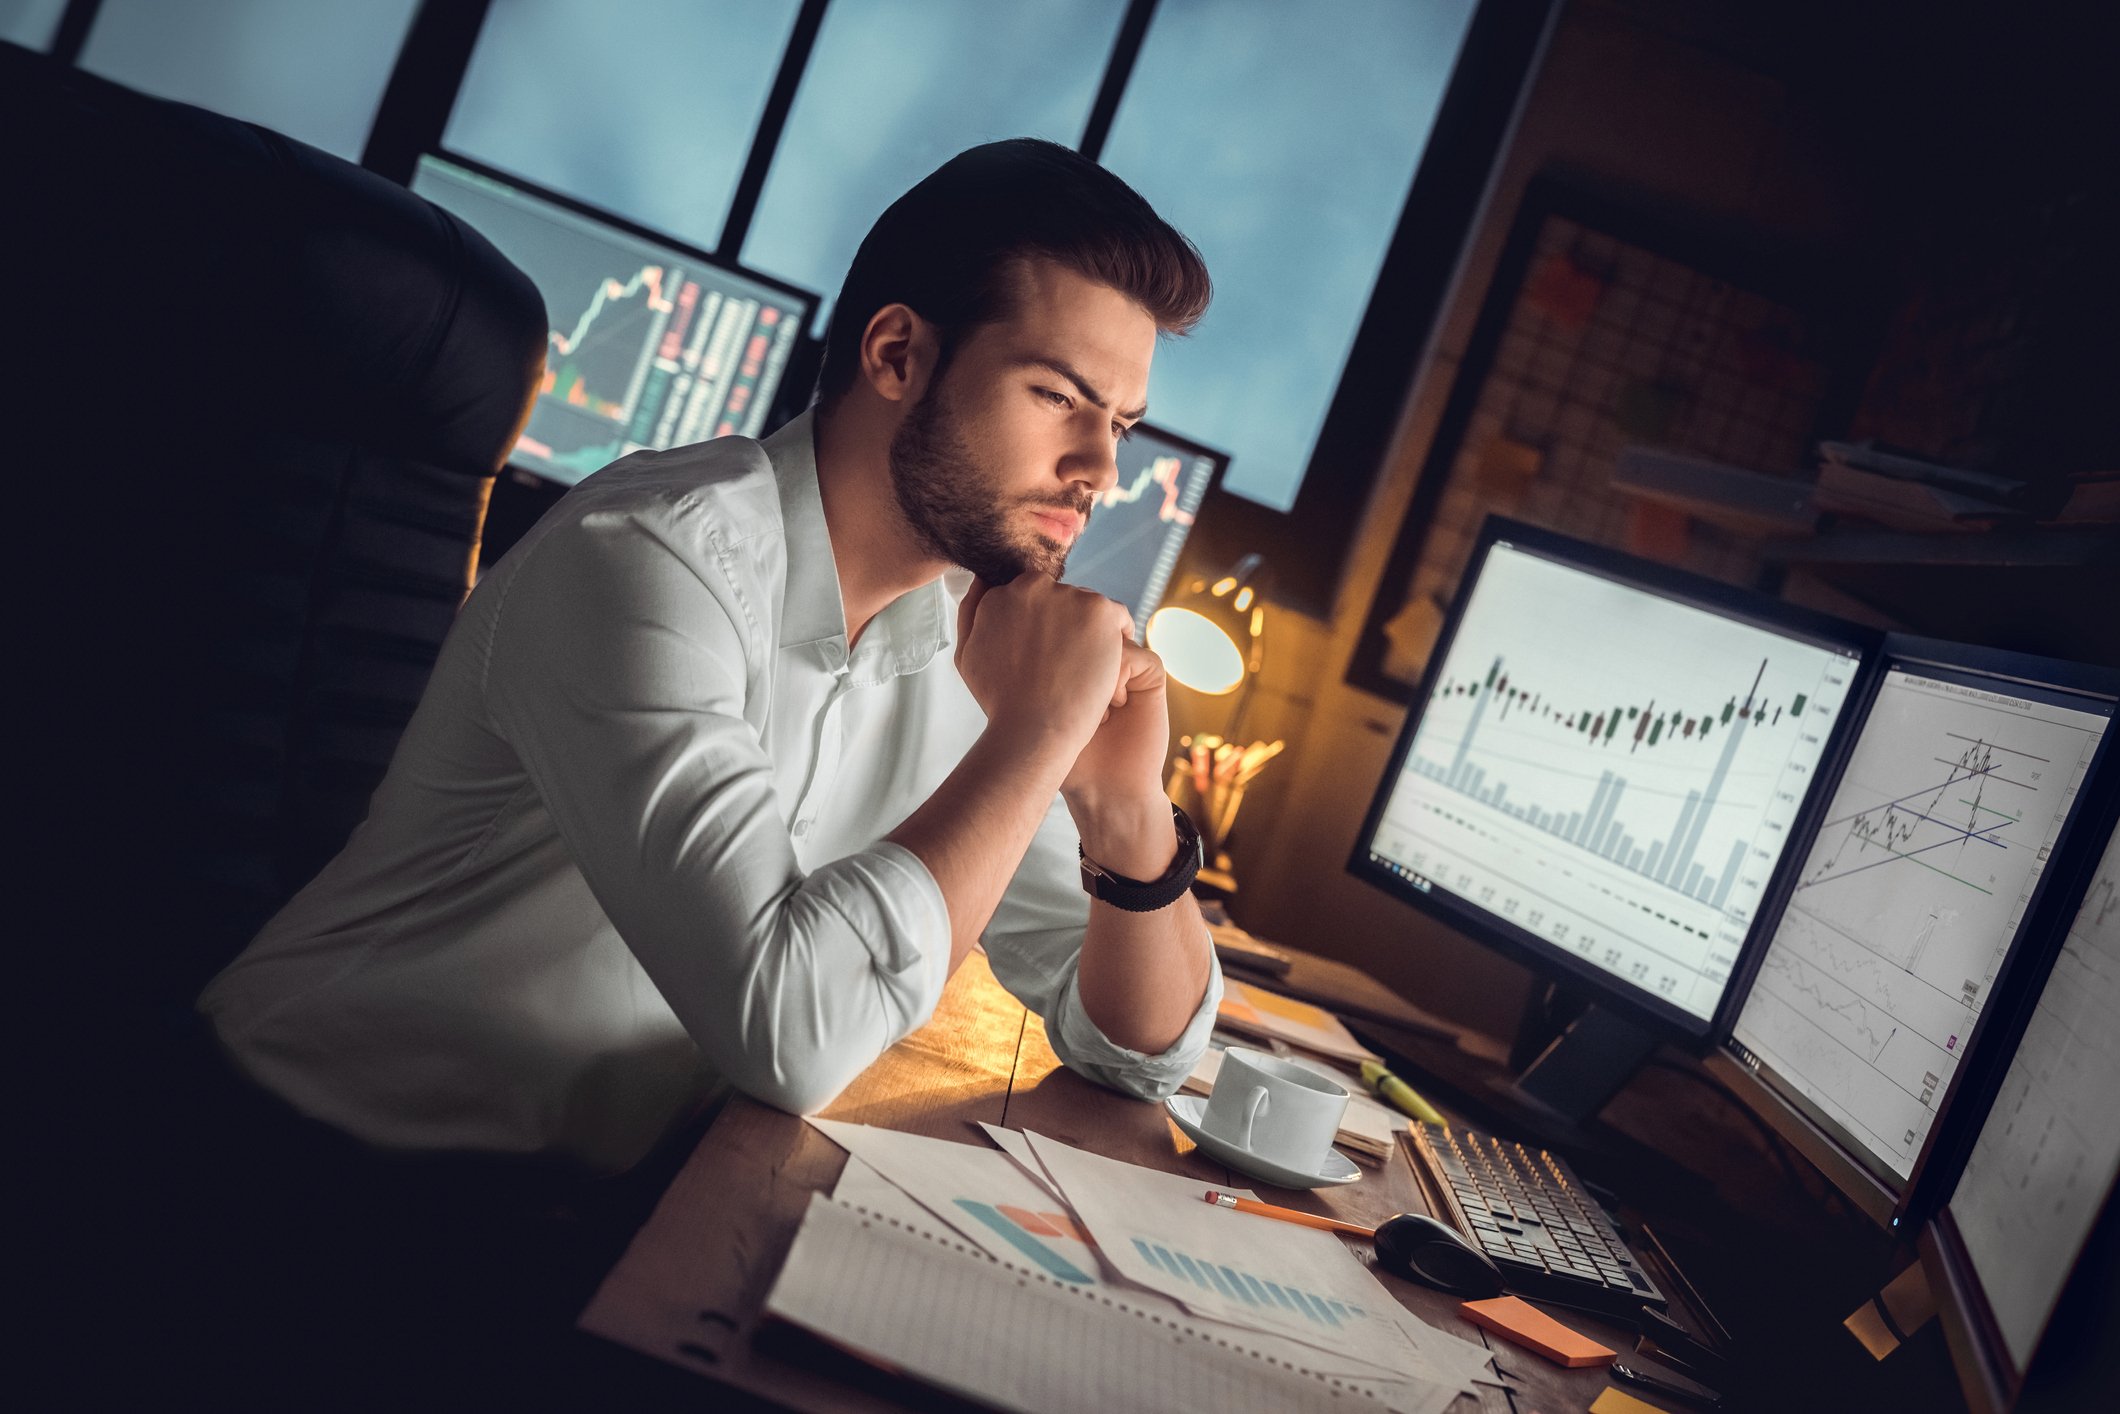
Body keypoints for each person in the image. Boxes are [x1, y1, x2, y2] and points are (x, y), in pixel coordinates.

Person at [198, 138, 1224, 1176]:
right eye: (1057, 397)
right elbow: (790, 1034)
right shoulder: (646, 556)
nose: (1100, 468)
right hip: (301, 1158)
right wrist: (1039, 734)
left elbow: (1140, 1056)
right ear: (896, 355)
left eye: (1121, 424)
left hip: (596, 1200)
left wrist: (1126, 814)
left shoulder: (980, 634)